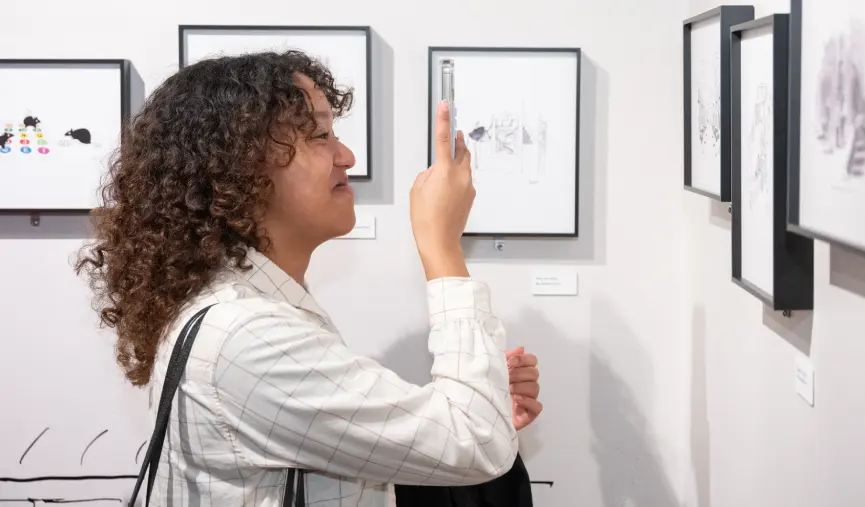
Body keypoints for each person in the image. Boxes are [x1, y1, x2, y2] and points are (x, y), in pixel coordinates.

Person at [76, 50, 543, 506]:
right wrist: (441, 246)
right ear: (241, 166)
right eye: (320, 135)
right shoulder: (246, 335)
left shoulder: (250, 313)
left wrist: (474, 401)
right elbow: (477, 443)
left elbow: (455, 437)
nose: (347, 155)